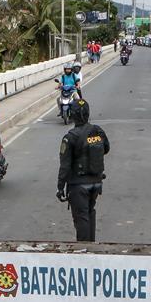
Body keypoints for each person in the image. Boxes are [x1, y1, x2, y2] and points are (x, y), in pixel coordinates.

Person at [56, 99, 110, 242]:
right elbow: (106, 149)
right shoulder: (97, 131)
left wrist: (60, 187)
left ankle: (84, 249)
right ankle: (92, 245)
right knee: (90, 213)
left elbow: (65, 166)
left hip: (78, 186)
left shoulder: (70, 137)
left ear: (73, 115)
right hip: (96, 182)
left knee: (81, 218)